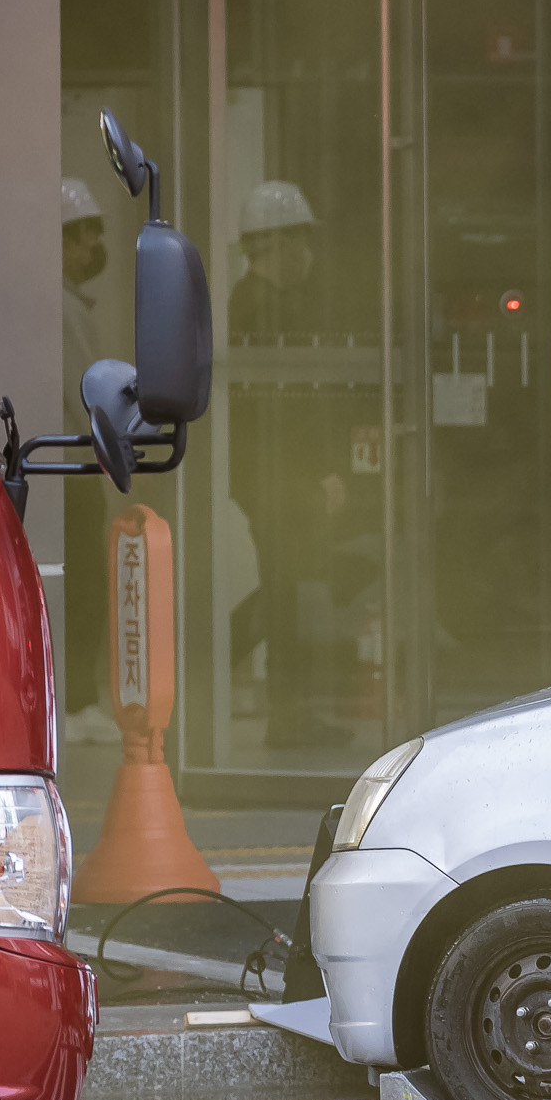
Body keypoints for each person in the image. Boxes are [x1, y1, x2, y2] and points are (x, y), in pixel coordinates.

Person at [226, 179, 352, 749]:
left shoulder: (261, 302)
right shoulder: (258, 307)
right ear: (273, 243)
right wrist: (318, 474)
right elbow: (282, 407)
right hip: (277, 477)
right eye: (299, 239)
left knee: (285, 588)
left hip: (273, 476)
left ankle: (286, 708)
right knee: (286, 592)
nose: (307, 252)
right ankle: (287, 713)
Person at [59, 178, 116, 744]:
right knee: (82, 587)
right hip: (75, 465)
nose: (91, 249)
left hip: (68, 461)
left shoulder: (62, 301)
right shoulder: (64, 306)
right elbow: (85, 392)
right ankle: (75, 705)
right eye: (83, 237)